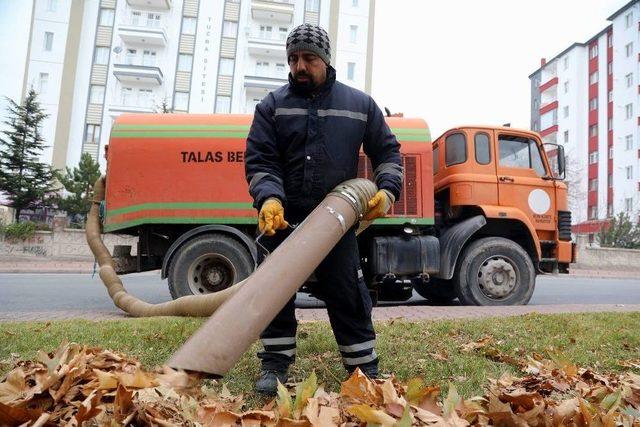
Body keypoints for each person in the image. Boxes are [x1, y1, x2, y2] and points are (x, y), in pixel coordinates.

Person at [244, 23, 403, 395]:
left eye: (309, 58)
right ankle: (275, 365)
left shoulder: (360, 105)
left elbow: (388, 153)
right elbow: (261, 161)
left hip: (335, 221)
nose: (300, 66)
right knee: (273, 294)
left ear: (326, 60)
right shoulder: (272, 107)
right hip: (281, 219)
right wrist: (269, 198)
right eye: (294, 58)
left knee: (348, 291)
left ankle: (363, 367)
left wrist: (387, 191)